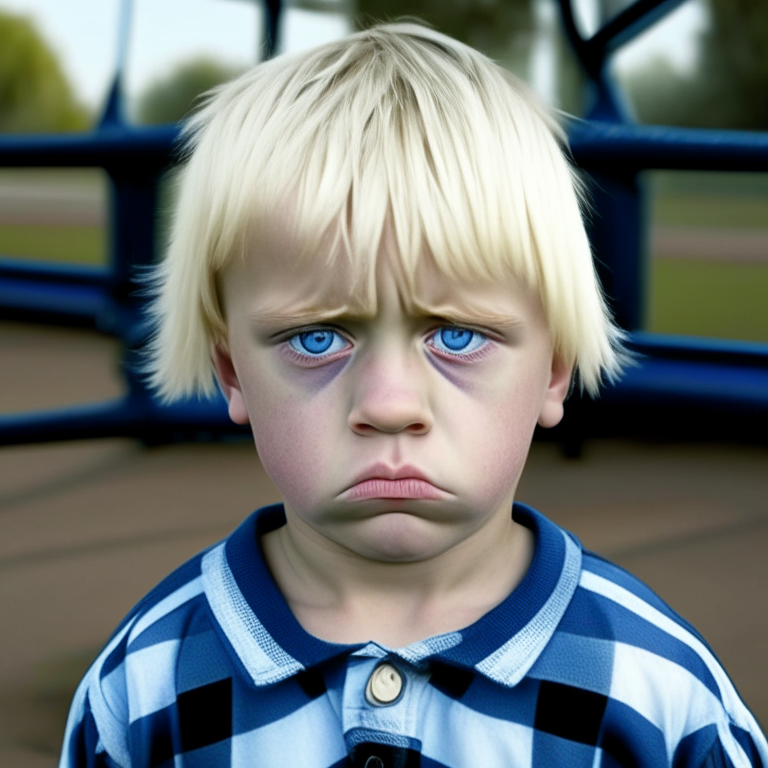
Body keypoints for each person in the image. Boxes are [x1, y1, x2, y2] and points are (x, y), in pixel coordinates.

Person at [59, 23, 766, 768]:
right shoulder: (141, 689)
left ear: (554, 368)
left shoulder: (658, 694)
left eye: (457, 336)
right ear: (233, 372)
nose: (391, 404)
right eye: (317, 338)